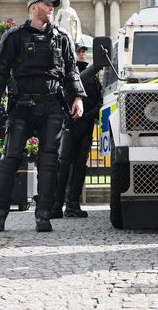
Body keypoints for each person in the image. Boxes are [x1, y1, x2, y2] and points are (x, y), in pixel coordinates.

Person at [0, 0, 86, 232]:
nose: (51, 7)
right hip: (21, 105)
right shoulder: (14, 37)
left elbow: (71, 70)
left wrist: (78, 97)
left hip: (52, 105)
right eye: (47, 4)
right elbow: (0, 71)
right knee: (10, 157)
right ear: (33, 8)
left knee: (50, 161)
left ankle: (44, 215)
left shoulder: (62, 38)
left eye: (53, 5)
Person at [51, 43, 104, 219]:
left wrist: (88, 115)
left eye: (83, 51)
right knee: (63, 164)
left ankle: (73, 204)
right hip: (70, 125)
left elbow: (99, 100)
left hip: (86, 125)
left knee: (80, 166)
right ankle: (56, 205)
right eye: (78, 51)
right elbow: (60, 96)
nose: (82, 54)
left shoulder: (93, 77)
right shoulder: (65, 73)